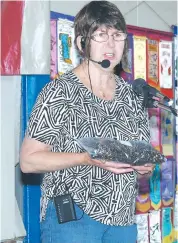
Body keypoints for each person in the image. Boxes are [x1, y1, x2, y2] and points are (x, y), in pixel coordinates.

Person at [20, 1, 154, 243]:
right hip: (74, 218)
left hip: (122, 219)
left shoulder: (132, 96)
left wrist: (144, 167)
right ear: (83, 42)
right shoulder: (59, 92)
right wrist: (85, 158)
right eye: (101, 35)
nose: (111, 44)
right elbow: (28, 161)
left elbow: (140, 158)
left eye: (117, 35)